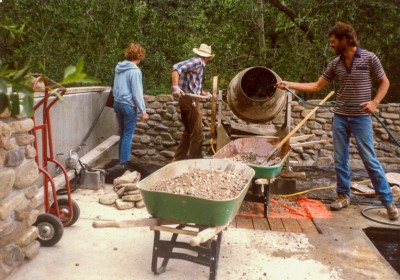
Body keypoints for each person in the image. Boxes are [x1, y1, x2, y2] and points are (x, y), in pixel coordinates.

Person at [276, 22, 399, 221]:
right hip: (340, 117)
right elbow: (316, 86)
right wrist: (288, 84)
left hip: (361, 119)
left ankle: (388, 202)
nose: (331, 45)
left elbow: (385, 82)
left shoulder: (369, 58)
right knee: (340, 159)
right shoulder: (335, 63)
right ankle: (343, 196)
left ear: (344, 39)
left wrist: (375, 102)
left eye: (333, 41)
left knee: (370, 160)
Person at [106, 42, 149, 174]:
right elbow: (136, 93)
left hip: (117, 103)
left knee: (122, 133)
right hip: (128, 105)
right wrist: (143, 111)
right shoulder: (135, 71)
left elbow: (116, 87)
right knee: (127, 135)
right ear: (140, 56)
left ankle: (121, 161)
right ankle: (124, 163)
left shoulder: (119, 68)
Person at [171, 43, 214, 160]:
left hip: (189, 98)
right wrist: (175, 86)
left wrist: (205, 93)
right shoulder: (198, 62)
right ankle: (195, 159)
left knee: (189, 130)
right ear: (207, 57)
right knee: (197, 132)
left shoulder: (197, 65)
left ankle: (179, 158)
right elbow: (176, 68)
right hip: (190, 100)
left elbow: (194, 87)